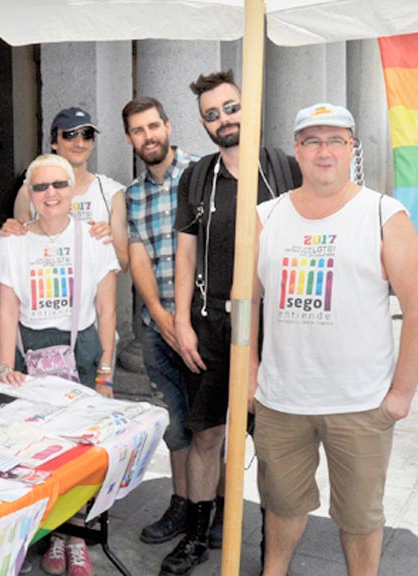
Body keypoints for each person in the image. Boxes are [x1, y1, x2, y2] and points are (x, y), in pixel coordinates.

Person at [251, 103, 417, 576]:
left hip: (360, 402)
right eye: (312, 140)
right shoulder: (266, 217)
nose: (324, 151)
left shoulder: (385, 213)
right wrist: (247, 380)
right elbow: (245, 304)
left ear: (351, 150)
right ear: (297, 151)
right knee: (281, 504)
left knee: (359, 516)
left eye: (335, 140)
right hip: (282, 400)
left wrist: (402, 393)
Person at [167, 70, 301, 576]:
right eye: (211, 114)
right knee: (206, 435)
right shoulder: (197, 176)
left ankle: (272, 548)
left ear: (249, 107)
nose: (223, 119)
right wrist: (181, 321)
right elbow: (184, 254)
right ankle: (198, 538)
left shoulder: (285, 170)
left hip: (277, 329)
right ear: (202, 124)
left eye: (230, 108)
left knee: (271, 442)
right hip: (212, 325)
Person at [0, 154, 119, 576]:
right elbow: (8, 310)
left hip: (81, 349)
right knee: (39, 449)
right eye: (40, 187)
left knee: (80, 448)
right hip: (32, 349)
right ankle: (51, 533)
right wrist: (3, 365)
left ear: (72, 191)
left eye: (59, 185)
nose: (51, 194)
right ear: (28, 195)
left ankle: (77, 535)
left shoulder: (96, 238)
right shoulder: (12, 240)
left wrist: (106, 370)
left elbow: (106, 310)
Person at [121, 97, 203, 546]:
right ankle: (183, 505)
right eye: (138, 130)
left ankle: (213, 513)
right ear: (130, 139)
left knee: (208, 427)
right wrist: (160, 315)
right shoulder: (133, 195)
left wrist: (187, 320)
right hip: (158, 330)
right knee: (175, 424)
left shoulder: (201, 174)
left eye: (153, 126)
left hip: (204, 326)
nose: (148, 136)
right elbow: (139, 258)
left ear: (168, 127)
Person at [13, 107, 129, 271]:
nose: (80, 143)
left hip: (95, 295)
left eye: (87, 135)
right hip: (47, 290)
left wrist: (107, 239)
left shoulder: (111, 192)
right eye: (70, 135)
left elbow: (123, 263)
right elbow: (20, 255)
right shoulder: (29, 191)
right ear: (54, 142)